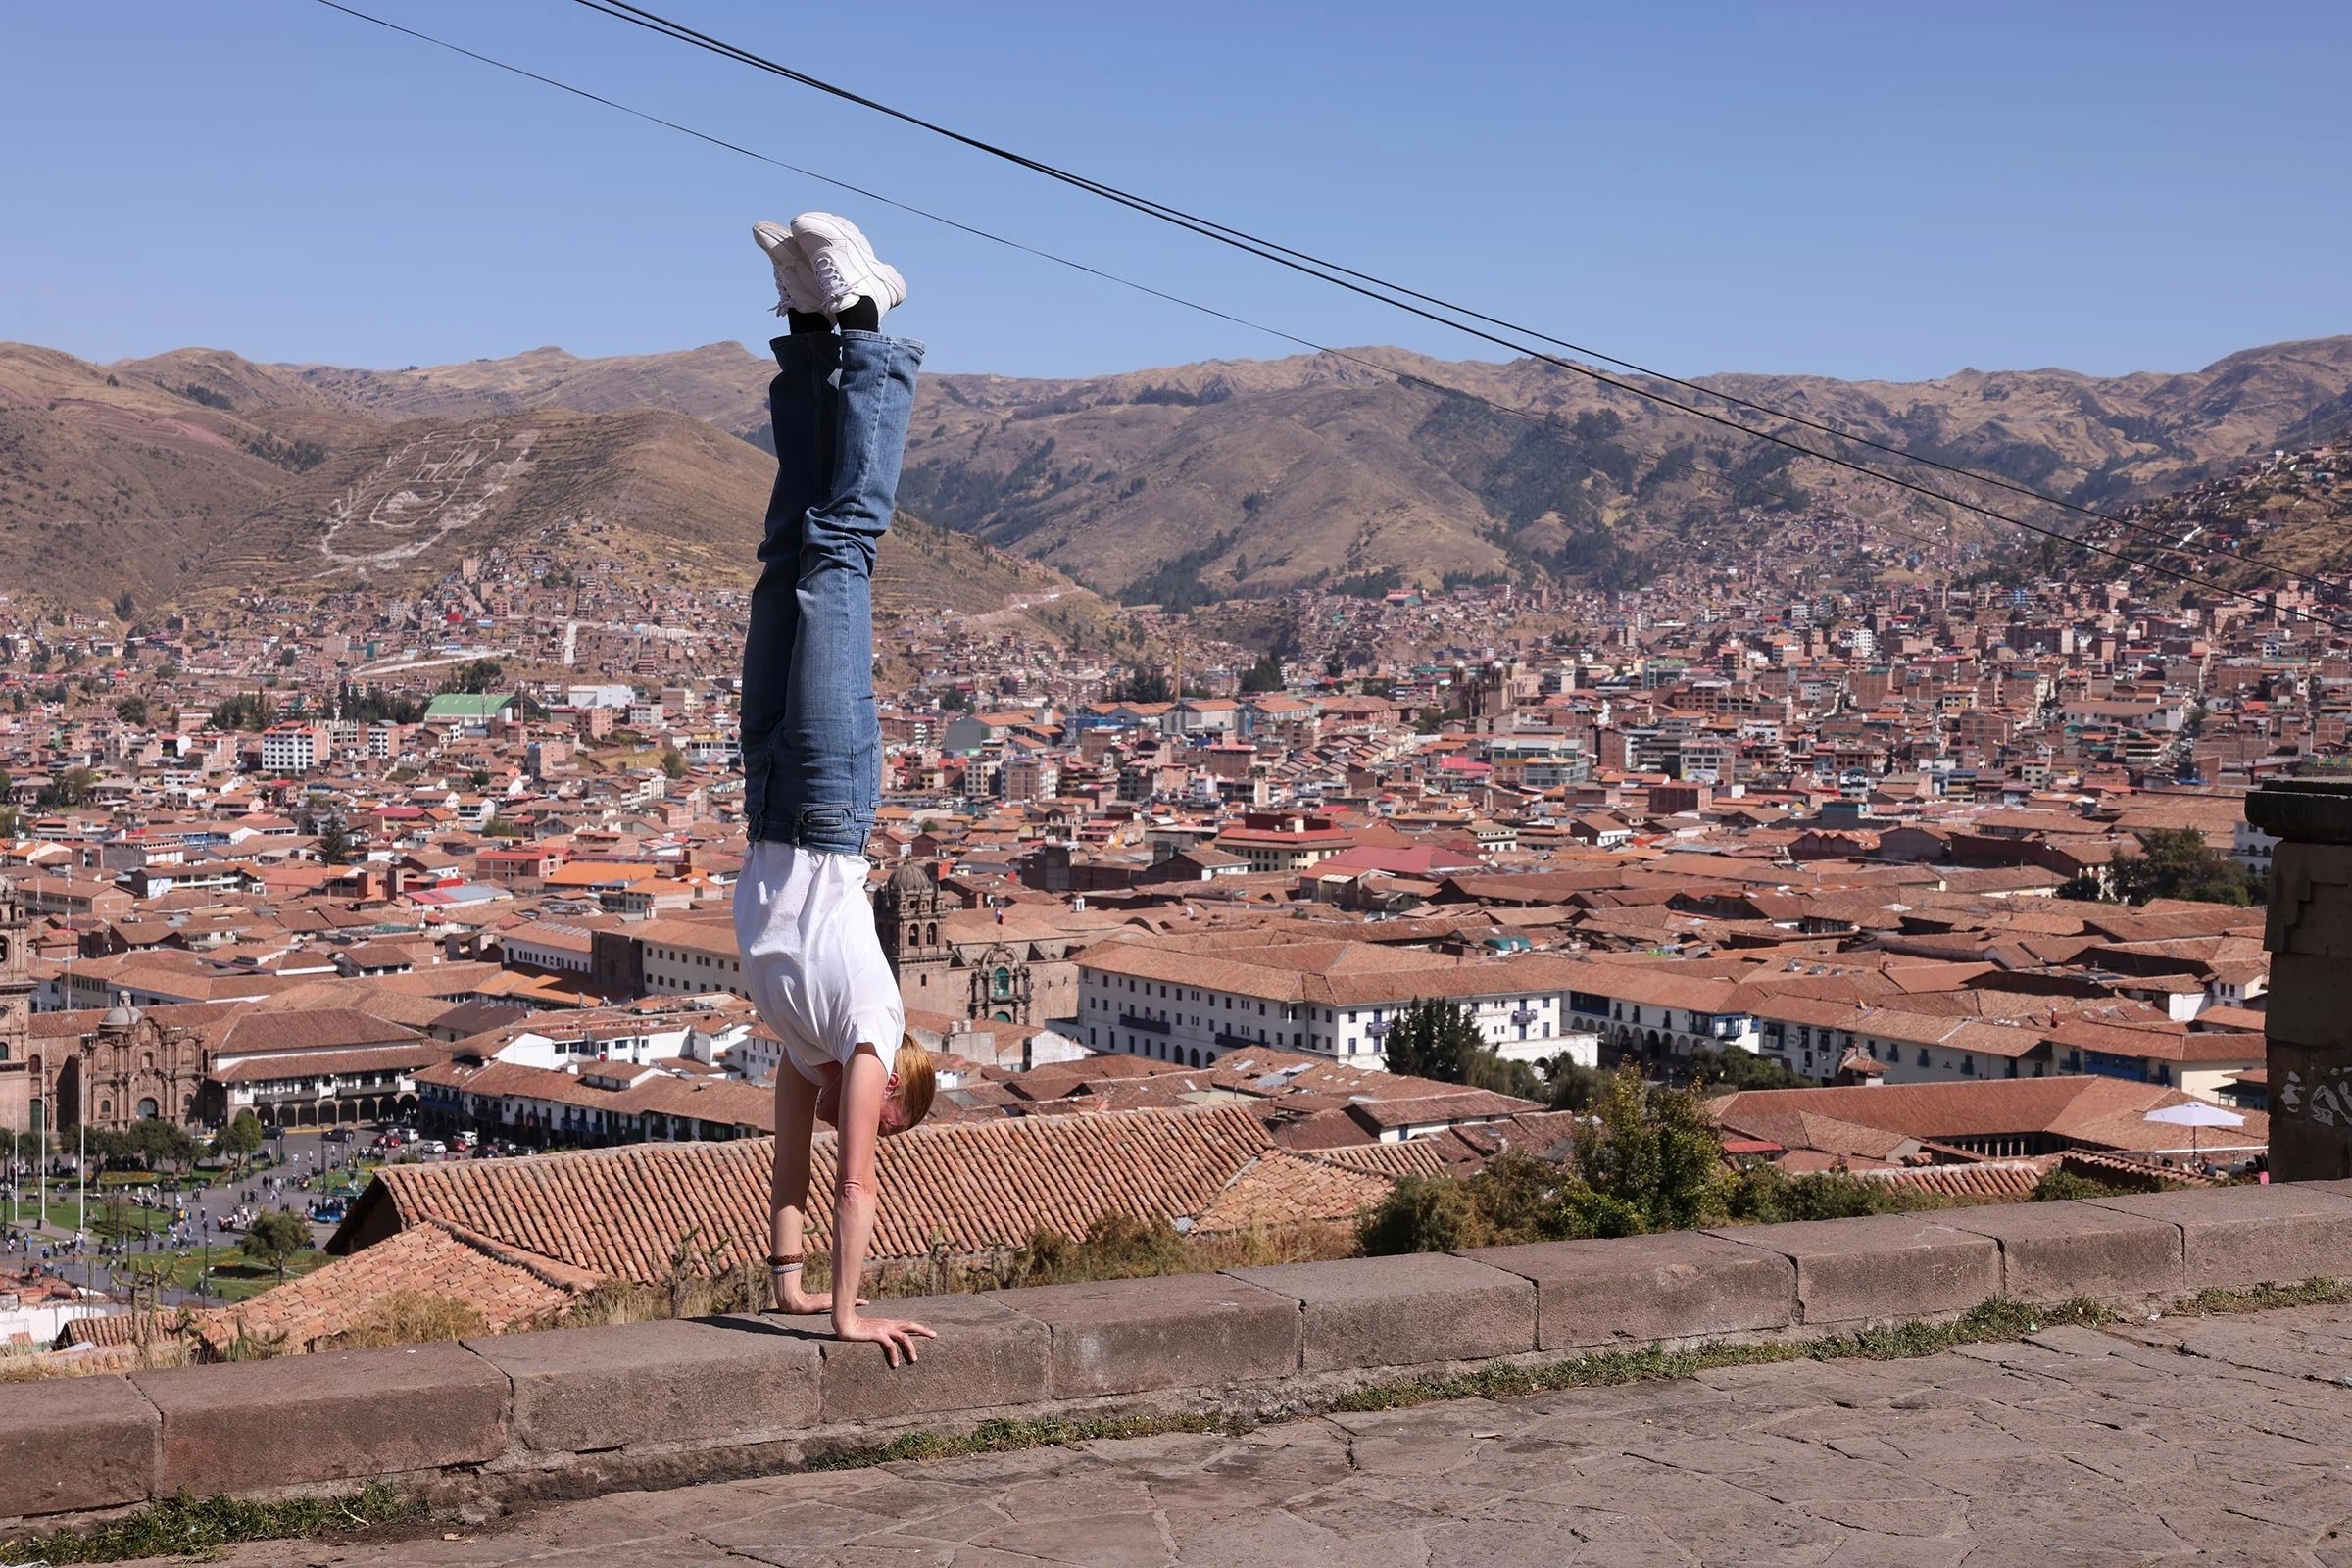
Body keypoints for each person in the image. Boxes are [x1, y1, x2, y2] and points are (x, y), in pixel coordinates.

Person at [734, 212, 939, 1368]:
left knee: (784, 556)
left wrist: (797, 1284)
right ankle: (870, 329)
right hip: (824, 803)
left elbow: (799, 1173)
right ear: (901, 1087)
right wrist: (857, 1314)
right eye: (890, 1117)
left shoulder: (799, 1051)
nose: (873, 1125)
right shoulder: (866, 1036)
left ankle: (811, 332)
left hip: (765, 796)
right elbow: (857, 1178)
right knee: (837, 555)